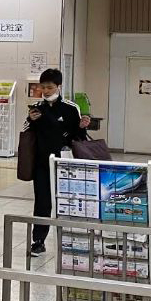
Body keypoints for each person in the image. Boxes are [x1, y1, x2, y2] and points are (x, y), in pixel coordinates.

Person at [25, 67, 89, 255]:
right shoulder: (36, 107)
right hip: (42, 163)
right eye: (42, 87)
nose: (45, 91)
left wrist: (82, 126)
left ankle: (73, 240)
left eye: (50, 87)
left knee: (70, 201)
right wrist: (31, 120)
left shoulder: (71, 108)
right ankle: (38, 240)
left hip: (66, 164)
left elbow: (79, 138)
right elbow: (26, 133)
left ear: (59, 86)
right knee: (42, 202)